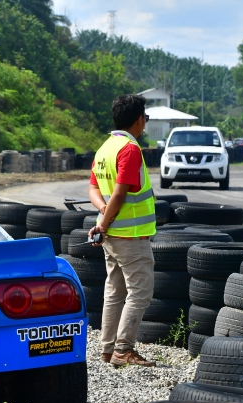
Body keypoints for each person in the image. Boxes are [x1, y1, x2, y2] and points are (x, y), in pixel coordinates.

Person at [88, 94, 156, 367]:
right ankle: (123, 350)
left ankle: (107, 349)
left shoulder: (105, 147)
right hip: (130, 236)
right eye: (146, 118)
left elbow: (93, 189)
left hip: (112, 235)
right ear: (139, 120)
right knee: (140, 292)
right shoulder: (129, 149)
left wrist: (103, 216)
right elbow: (120, 193)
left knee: (115, 292)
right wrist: (104, 222)